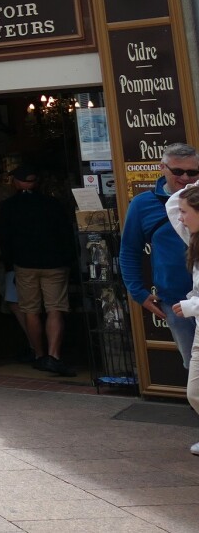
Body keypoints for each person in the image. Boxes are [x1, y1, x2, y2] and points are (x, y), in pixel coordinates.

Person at [121, 144, 199, 392]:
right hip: (176, 301)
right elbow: (129, 250)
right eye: (178, 171)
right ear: (162, 168)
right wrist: (138, 292)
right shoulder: (143, 204)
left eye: (193, 172)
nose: (186, 178)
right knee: (193, 365)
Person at [0, 166, 77, 376]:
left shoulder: (9, 207)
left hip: (25, 264)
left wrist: (9, 263)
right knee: (55, 309)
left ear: (16, 182)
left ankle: (39, 354)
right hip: (55, 264)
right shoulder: (53, 204)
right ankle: (54, 356)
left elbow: (5, 239)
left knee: (30, 311)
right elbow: (66, 233)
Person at [163, 184, 199, 450]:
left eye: (186, 212)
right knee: (195, 393)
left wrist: (192, 306)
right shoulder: (194, 238)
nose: (180, 217)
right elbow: (173, 204)